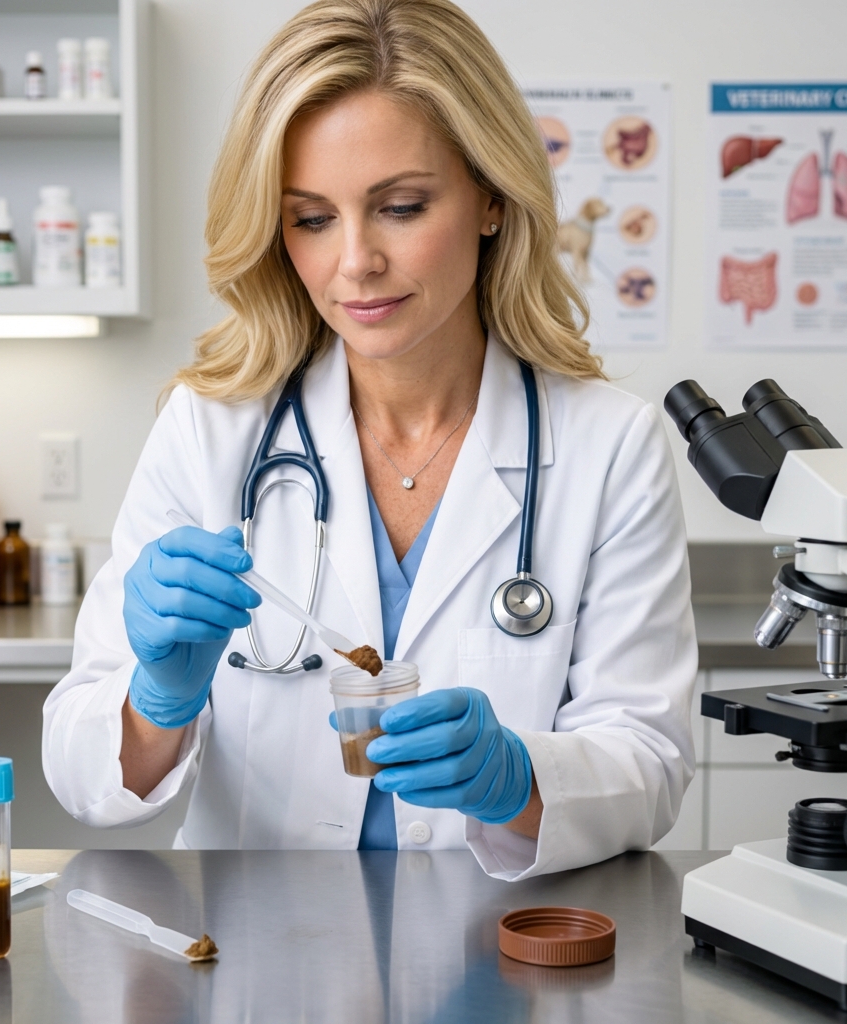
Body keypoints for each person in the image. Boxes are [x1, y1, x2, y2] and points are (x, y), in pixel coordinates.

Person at [43, 0, 696, 880]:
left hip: (502, 959)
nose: (355, 261)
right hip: (258, 969)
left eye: (399, 206)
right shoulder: (213, 429)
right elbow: (85, 780)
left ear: (492, 197)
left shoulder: (608, 445)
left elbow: (648, 764)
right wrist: (160, 698)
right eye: (312, 218)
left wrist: (519, 780)